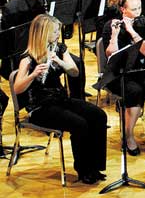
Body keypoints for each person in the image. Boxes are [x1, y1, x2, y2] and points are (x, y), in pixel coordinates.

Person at [14, 14, 107, 184]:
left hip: (60, 100)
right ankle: (83, 170)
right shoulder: (28, 58)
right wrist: (33, 75)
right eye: (55, 31)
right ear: (43, 33)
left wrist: (60, 62)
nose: (58, 34)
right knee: (80, 124)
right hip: (40, 108)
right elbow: (17, 87)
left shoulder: (58, 49)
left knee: (98, 115)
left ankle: (95, 166)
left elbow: (75, 72)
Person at [102, 0, 145, 155]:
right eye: (134, 9)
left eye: (139, 8)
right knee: (134, 91)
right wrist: (115, 35)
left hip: (143, 68)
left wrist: (132, 31)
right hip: (121, 73)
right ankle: (128, 136)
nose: (138, 12)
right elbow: (111, 56)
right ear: (123, 10)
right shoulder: (111, 25)